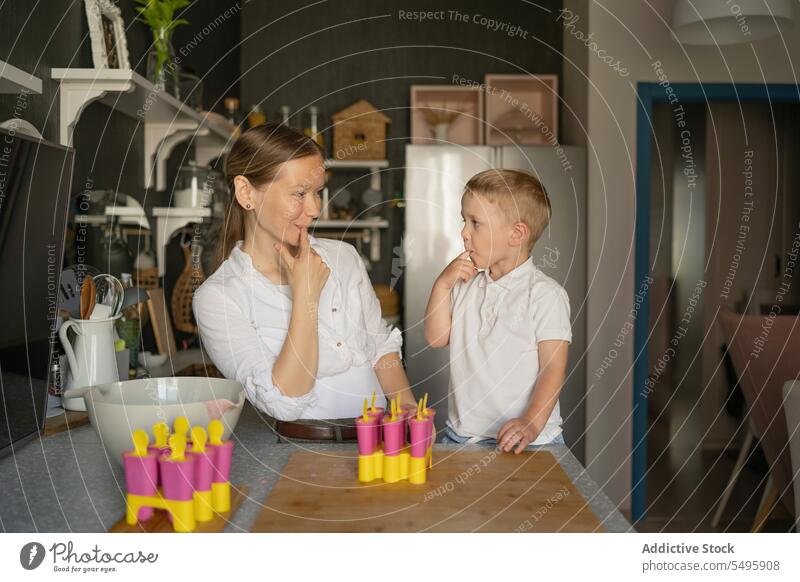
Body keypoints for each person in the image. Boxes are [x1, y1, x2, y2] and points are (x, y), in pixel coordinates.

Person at [192, 123, 415, 431]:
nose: (314, 209)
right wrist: (306, 295)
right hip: (298, 454)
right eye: (299, 193)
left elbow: (379, 346)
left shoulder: (343, 257)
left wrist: (408, 408)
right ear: (246, 193)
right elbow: (282, 403)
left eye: (318, 192)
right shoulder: (218, 298)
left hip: (376, 443)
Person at [424, 169, 571, 453]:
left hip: (531, 441)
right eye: (463, 220)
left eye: (475, 223)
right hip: (463, 437)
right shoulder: (465, 286)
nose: (463, 232)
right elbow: (436, 337)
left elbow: (553, 367)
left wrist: (530, 422)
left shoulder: (545, 295)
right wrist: (441, 285)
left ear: (516, 234)